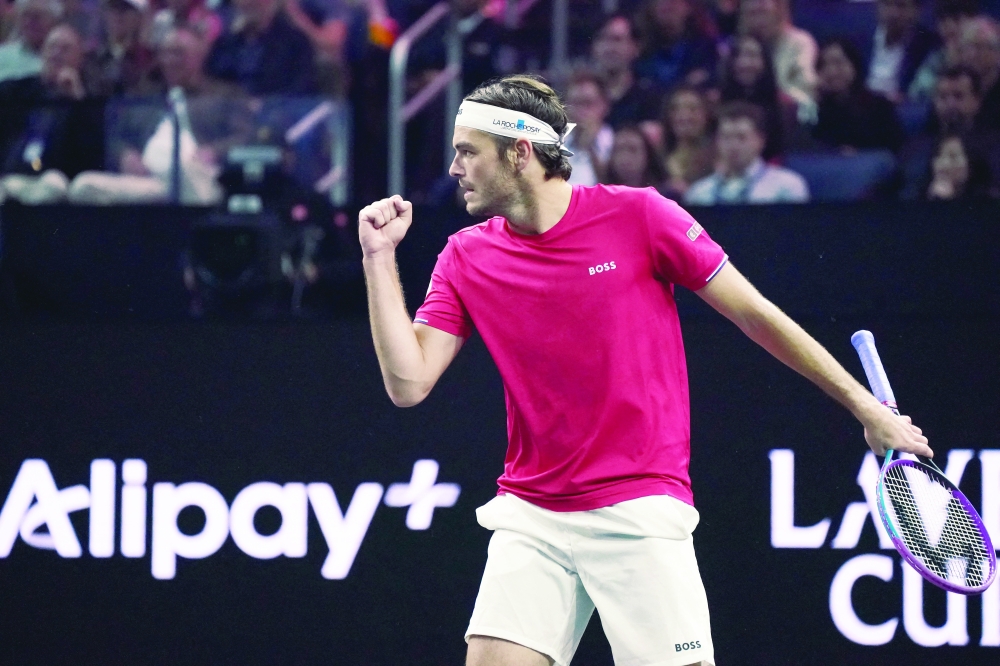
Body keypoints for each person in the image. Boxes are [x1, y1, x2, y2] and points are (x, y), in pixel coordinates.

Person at [357, 73, 931, 666]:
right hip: (532, 514)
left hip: (636, 507)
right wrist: (378, 259)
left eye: (467, 151)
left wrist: (866, 407)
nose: (454, 167)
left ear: (520, 152)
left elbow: (757, 316)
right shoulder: (465, 255)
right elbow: (409, 382)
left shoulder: (641, 217)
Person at [69, 26, 249, 204]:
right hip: (148, 182)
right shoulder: (142, 96)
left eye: (179, 53)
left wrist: (214, 152)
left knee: (185, 171)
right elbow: (116, 136)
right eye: (166, 53)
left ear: (200, 56)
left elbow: (246, 136)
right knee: (84, 186)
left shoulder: (224, 95)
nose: (170, 60)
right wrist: (124, 155)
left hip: (197, 175)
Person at [0, 23, 103, 203]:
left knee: (53, 185)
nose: (57, 53)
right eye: (52, 47)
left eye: (65, 49)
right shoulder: (15, 90)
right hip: (11, 174)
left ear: (80, 58)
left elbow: (92, 156)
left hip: (55, 181)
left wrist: (76, 100)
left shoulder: (89, 99)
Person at [686, 101, 809, 204]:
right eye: (726, 137)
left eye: (741, 137)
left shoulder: (786, 187)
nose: (733, 146)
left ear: (760, 140)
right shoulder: (699, 193)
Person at [812, 37, 905, 153]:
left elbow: (896, 151)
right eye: (823, 65)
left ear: (854, 65)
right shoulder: (815, 110)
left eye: (838, 63)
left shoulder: (879, 106)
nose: (831, 71)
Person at [204, 0, 317, 95]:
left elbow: (299, 90)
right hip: (231, 113)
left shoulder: (295, 43)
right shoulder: (227, 44)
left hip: (275, 115)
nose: (246, 2)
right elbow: (214, 79)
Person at [718, 32, 799, 157]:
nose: (744, 63)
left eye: (752, 56)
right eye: (738, 56)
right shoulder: (716, 103)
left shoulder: (785, 106)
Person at [591, 13, 663, 136]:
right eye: (602, 39)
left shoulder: (650, 98)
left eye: (617, 40)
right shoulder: (581, 96)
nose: (609, 48)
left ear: (635, 48)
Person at [739, 0, 818, 112]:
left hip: (790, 112)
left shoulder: (799, 42)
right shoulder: (738, 47)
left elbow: (807, 91)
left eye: (762, 12)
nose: (758, 21)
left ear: (779, 11)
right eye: (752, 13)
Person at [634, 0, 719, 90]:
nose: (667, 4)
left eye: (674, 1)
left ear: (689, 7)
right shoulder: (639, 46)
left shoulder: (704, 48)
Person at [866, 0, 940, 102]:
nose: (893, 13)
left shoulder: (928, 44)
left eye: (901, 6)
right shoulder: (863, 39)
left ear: (917, 11)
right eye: (887, 4)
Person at [86, 0, 154, 96]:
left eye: (125, 9)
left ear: (139, 17)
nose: (118, 15)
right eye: (113, 8)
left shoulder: (150, 60)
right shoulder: (92, 58)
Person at [661, 84, 715, 195]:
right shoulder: (657, 156)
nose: (683, 116)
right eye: (676, 109)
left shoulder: (717, 156)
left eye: (693, 109)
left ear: (706, 114)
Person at [564, 70, 613, 186]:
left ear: (604, 106)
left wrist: (591, 148)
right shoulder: (553, 142)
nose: (581, 111)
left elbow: (613, 185)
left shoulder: (616, 142)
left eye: (588, 103)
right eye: (575, 103)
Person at [0, 0, 62, 83]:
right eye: (25, 16)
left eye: (36, 17)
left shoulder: (61, 58)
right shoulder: (3, 55)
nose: (29, 22)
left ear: (53, 21)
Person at [960, 16, 1000, 131]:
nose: (972, 54)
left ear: (997, 52)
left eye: (979, 47)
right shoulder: (952, 85)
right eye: (968, 47)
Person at [923, 133, 994, 198]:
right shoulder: (920, 195)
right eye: (939, 155)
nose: (944, 164)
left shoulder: (986, 199)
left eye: (953, 157)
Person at [602, 124, 669, 191]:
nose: (625, 157)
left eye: (633, 150)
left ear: (647, 155)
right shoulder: (600, 194)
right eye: (619, 149)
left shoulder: (665, 196)